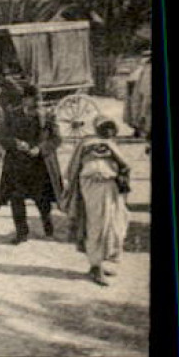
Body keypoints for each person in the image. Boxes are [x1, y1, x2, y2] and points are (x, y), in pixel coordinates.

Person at [62, 118, 132, 286]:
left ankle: (102, 260)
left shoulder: (112, 145)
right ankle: (95, 266)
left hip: (111, 187)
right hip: (92, 186)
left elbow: (125, 166)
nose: (108, 131)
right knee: (97, 224)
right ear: (97, 128)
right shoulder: (87, 143)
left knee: (115, 223)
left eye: (111, 128)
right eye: (105, 127)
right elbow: (73, 169)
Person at [0, 86, 62, 244]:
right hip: (17, 164)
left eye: (39, 100)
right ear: (25, 99)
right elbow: (2, 136)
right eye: (33, 99)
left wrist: (40, 149)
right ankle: (21, 233)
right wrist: (15, 143)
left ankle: (48, 229)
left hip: (40, 165)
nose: (37, 104)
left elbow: (57, 139)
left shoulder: (48, 116)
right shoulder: (12, 115)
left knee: (43, 199)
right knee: (16, 199)